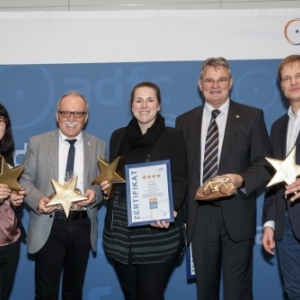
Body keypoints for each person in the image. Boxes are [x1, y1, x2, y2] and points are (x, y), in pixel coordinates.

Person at [176, 57, 271, 300]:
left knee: (237, 293)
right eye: (209, 80)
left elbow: (264, 164)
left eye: (221, 80)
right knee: (205, 292)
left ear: (231, 82)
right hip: (200, 218)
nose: (215, 85)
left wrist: (240, 179)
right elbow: (181, 173)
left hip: (237, 215)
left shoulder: (251, 116)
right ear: (200, 84)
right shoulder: (184, 122)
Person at [101, 81, 187, 300]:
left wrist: (169, 209)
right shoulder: (118, 136)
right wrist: (108, 188)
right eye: (139, 100)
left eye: (150, 100)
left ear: (159, 105)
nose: (144, 105)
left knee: (150, 295)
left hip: (157, 233)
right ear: (131, 105)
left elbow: (179, 180)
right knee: (131, 295)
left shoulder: (173, 136)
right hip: (121, 235)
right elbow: (115, 179)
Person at [20, 91, 106, 300]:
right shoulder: (38, 143)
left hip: (82, 224)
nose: (71, 119)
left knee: (73, 291)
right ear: (57, 115)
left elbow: (103, 184)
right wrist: (37, 200)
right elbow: (24, 181)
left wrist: (95, 194)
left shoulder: (98, 145)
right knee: (45, 292)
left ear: (86, 117)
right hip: (48, 224)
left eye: (78, 114)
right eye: (66, 113)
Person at [262, 54, 300, 300]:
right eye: (287, 78)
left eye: (298, 76)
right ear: (281, 86)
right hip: (286, 226)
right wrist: (269, 224)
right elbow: (274, 179)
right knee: (294, 291)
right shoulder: (277, 126)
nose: (293, 82)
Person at [0, 103, 26, 300]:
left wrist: (17, 201)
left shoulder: (6, 158)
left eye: (1, 121)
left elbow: (11, 203)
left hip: (9, 241)